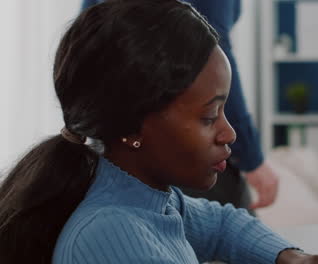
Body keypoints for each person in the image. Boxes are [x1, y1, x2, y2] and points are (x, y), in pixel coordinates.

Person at [0, 0, 318, 263]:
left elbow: (222, 225)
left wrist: (290, 256)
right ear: (133, 125)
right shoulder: (113, 237)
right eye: (209, 117)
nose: (229, 134)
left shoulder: (150, 198)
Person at [81, 0, 279, 214]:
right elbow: (210, 56)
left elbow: (85, 42)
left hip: (117, 142)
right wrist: (250, 156)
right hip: (176, 141)